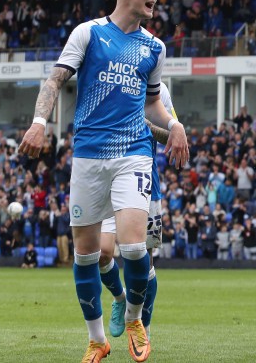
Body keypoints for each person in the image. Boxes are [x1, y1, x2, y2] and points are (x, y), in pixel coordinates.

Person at [18, 0, 189, 363]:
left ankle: (133, 318)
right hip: (89, 156)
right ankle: (97, 339)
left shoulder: (155, 47)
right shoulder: (89, 33)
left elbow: (152, 103)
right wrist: (39, 121)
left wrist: (176, 124)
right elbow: (56, 79)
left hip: (133, 153)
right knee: (87, 255)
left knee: (132, 247)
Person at [98, 82, 176, 339]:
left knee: (144, 258)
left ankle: (143, 328)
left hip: (144, 179)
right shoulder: (106, 78)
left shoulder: (159, 90)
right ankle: (120, 299)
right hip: (105, 175)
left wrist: (146, 124)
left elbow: (171, 137)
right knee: (102, 253)